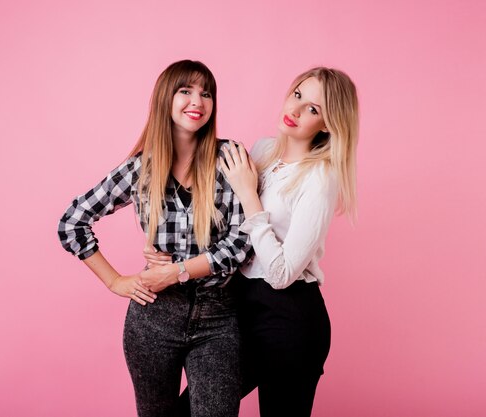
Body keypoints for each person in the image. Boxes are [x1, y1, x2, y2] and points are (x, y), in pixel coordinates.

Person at [150, 67, 359, 417]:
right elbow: (220, 220)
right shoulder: (262, 151)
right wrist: (164, 249)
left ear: (328, 124)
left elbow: (281, 274)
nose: (294, 111)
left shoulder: (320, 179)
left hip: (289, 316)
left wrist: (249, 193)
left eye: (313, 109)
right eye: (297, 96)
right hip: (239, 307)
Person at [57, 60, 252, 417]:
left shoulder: (231, 158)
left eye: (206, 93)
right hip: (153, 318)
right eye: (186, 91)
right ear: (166, 98)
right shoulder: (140, 169)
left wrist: (177, 271)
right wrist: (115, 280)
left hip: (218, 318)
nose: (198, 101)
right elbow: (72, 223)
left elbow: (242, 243)